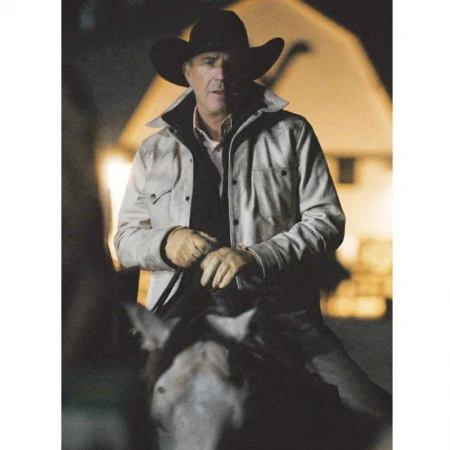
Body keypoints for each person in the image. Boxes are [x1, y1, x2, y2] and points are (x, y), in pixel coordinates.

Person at [114, 10, 391, 422]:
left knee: (373, 413)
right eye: (209, 62)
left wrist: (256, 256)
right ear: (188, 72)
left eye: (231, 62)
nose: (220, 74)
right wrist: (167, 242)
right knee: (117, 418)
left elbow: (326, 221)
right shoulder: (155, 151)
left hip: (278, 315)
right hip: (176, 318)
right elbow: (124, 239)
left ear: (247, 70)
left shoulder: (291, 133)